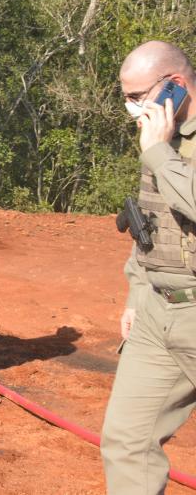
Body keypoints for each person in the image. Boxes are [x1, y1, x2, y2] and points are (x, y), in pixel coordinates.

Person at [102, 40, 196, 494]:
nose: (131, 109)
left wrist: (158, 152)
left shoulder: (159, 144)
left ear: (176, 85)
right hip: (159, 314)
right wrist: (138, 294)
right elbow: (151, 224)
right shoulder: (163, 137)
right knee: (127, 442)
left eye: (138, 97)